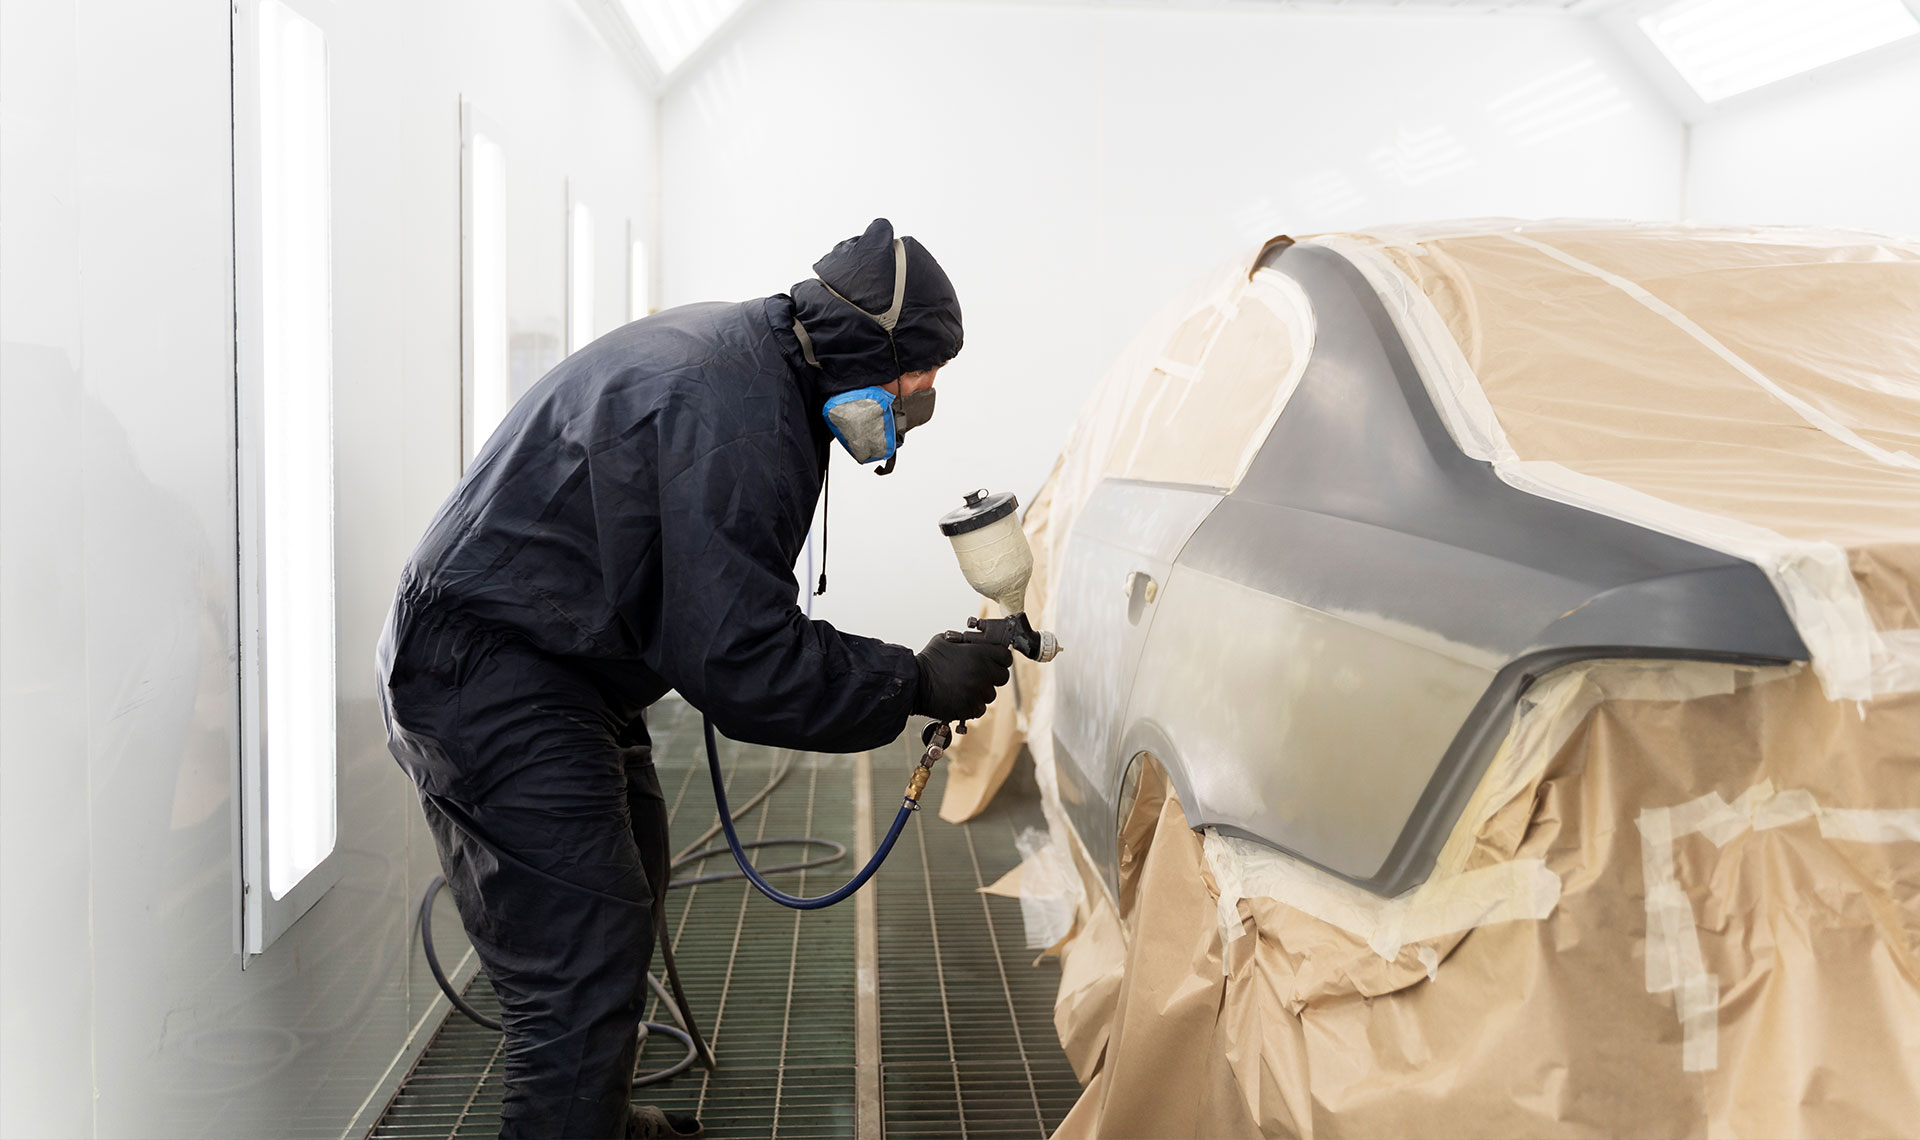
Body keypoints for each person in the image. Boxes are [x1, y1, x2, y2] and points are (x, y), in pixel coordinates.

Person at [376, 219, 1011, 1139]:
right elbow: (741, 660)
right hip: (490, 668)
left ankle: (598, 1119)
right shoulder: (737, 416)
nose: (923, 394)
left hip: (557, 656)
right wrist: (911, 681)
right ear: (868, 345)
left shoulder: (763, 367)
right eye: (922, 369)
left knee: (629, 876)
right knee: (579, 960)